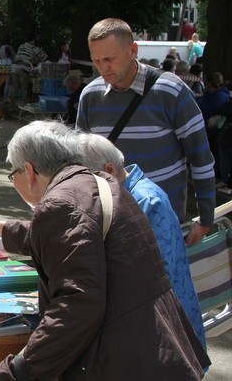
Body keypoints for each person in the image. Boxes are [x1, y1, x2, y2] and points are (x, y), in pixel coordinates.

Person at [0, 120, 209, 381]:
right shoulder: (99, 183)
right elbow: (70, 235)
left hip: (126, 359)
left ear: (29, 171)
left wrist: (11, 374)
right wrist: (1, 230)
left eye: (13, 174)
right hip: (154, 345)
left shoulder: (60, 202)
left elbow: (76, 306)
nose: (14, 181)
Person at [77, 18, 215, 245]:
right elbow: (80, 164)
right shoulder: (90, 96)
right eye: (97, 61)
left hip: (163, 224)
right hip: (110, 225)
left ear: (133, 50)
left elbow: (200, 157)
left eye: (110, 59)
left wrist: (206, 217)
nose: (103, 67)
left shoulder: (170, 91)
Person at [80, 132, 206, 349]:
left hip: (168, 337)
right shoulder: (119, 194)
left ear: (108, 170)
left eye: (84, 180)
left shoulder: (147, 202)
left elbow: (154, 278)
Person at [9, 33, 48, 110]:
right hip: (23, 68)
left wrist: (33, 60)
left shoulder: (21, 46)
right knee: (24, 88)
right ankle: (25, 108)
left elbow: (24, 57)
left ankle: (11, 107)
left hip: (14, 67)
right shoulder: (34, 48)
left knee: (15, 88)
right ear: (33, 40)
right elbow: (44, 57)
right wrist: (38, 60)